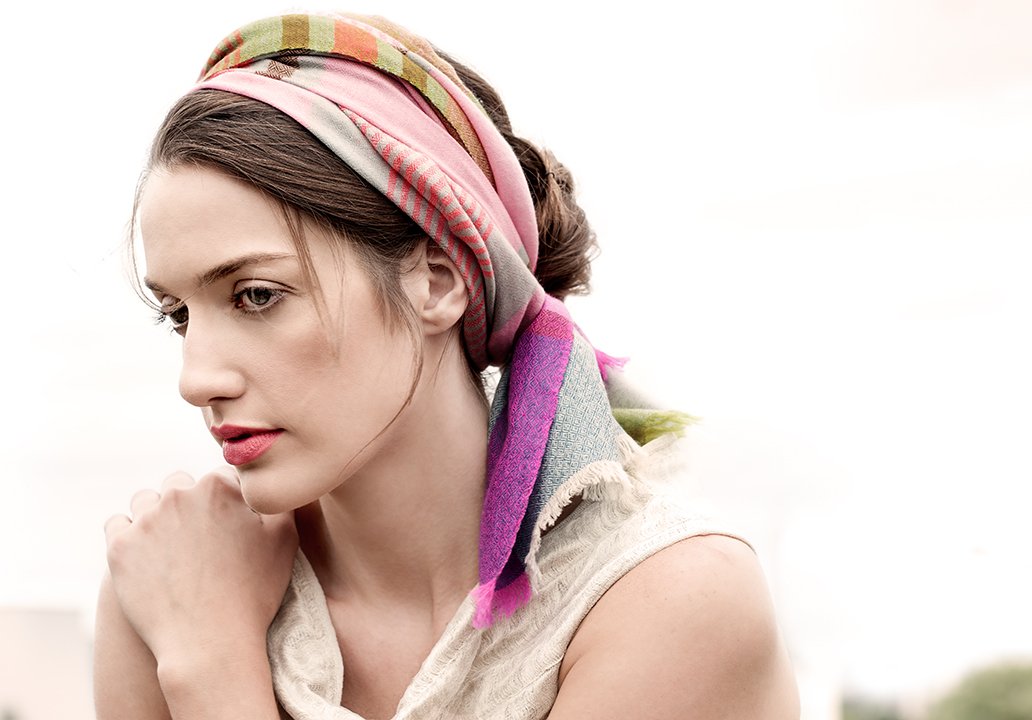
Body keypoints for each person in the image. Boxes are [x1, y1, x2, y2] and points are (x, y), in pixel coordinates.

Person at [94, 11, 800, 720]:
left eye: (256, 295)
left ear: (438, 279)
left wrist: (214, 673)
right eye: (180, 315)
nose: (196, 379)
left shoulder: (667, 597)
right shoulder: (174, 577)